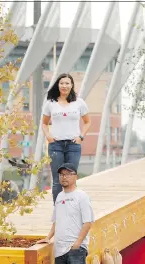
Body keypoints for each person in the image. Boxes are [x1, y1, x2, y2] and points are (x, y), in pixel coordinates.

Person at [42, 73, 91, 204]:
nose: (64, 85)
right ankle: (58, 211)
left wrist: (81, 136)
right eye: (62, 83)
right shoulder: (50, 103)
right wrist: (48, 136)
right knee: (58, 180)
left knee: (70, 178)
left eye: (67, 83)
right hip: (55, 145)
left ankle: (71, 207)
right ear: (58, 85)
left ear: (71, 85)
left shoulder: (79, 102)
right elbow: (44, 123)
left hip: (73, 146)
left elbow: (87, 122)